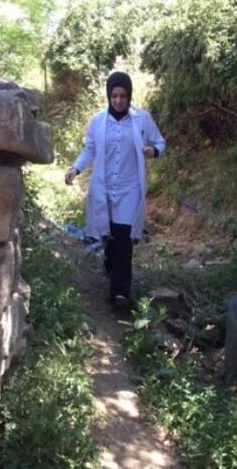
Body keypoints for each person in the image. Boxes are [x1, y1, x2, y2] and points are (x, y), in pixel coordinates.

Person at [65, 71, 166, 307]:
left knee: (124, 236)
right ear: (108, 96)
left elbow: (161, 143)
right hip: (104, 187)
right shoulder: (99, 121)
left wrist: (153, 151)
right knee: (110, 233)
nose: (118, 101)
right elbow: (90, 150)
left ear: (129, 95)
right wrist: (75, 169)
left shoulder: (142, 119)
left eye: (122, 96)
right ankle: (111, 265)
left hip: (130, 188)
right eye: (114, 96)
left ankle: (120, 292)